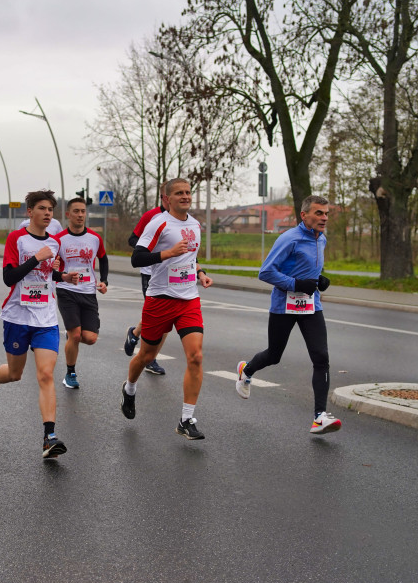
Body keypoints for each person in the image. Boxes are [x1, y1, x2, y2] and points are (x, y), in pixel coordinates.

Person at [0, 190, 81, 459]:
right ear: (30, 212)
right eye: (42, 208)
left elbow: (47, 274)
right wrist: (36, 257)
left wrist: (64, 277)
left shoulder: (54, 243)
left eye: (51, 209)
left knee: (46, 375)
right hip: (17, 316)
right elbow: (9, 276)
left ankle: (49, 437)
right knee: (15, 373)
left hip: (46, 318)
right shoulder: (17, 239)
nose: (48, 213)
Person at [235, 195, 341, 435]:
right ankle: (247, 370)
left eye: (326, 213)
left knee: (321, 357)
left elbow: (308, 270)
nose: (324, 217)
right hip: (284, 305)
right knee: (274, 355)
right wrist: (295, 283)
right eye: (318, 213)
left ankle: (319, 417)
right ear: (304, 215)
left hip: (310, 305)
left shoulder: (321, 238)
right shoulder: (289, 238)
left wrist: (318, 280)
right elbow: (265, 272)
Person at [121, 178, 213, 440]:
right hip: (160, 298)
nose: (185, 196)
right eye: (179, 193)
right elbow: (136, 258)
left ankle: (186, 419)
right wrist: (167, 253)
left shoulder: (194, 224)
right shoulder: (158, 223)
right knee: (146, 356)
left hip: (188, 299)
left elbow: (190, 258)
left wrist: (201, 273)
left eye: (188, 192)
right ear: (167, 198)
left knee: (195, 356)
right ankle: (129, 389)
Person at [54, 197, 109, 389]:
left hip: (88, 292)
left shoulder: (95, 238)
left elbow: (103, 259)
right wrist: (62, 275)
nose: (80, 215)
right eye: (76, 211)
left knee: (90, 338)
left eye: (83, 211)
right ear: (68, 214)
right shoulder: (59, 239)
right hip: (66, 291)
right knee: (76, 335)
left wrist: (104, 281)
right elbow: (51, 270)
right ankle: (70, 373)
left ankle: (71, 336)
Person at [122, 190, 171, 376]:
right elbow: (132, 239)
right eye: (167, 195)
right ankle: (150, 355)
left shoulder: (183, 219)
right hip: (151, 272)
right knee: (158, 318)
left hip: (172, 274)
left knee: (166, 320)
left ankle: (137, 337)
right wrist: (150, 248)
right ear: (163, 197)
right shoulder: (151, 216)